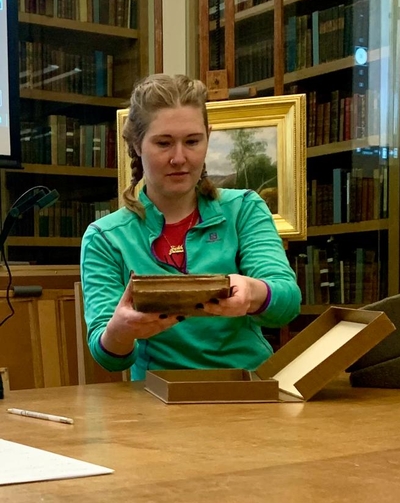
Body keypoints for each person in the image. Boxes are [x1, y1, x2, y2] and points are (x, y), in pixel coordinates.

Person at [80, 74, 301, 380]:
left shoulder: (244, 209)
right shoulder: (105, 237)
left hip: (251, 388)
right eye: (164, 143)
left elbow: (287, 303)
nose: (179, 158)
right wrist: (120, 330)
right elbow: (109, 358)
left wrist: (254, 293)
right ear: (135, 143)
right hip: (158, 399)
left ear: (208, 137)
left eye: (193, 141)